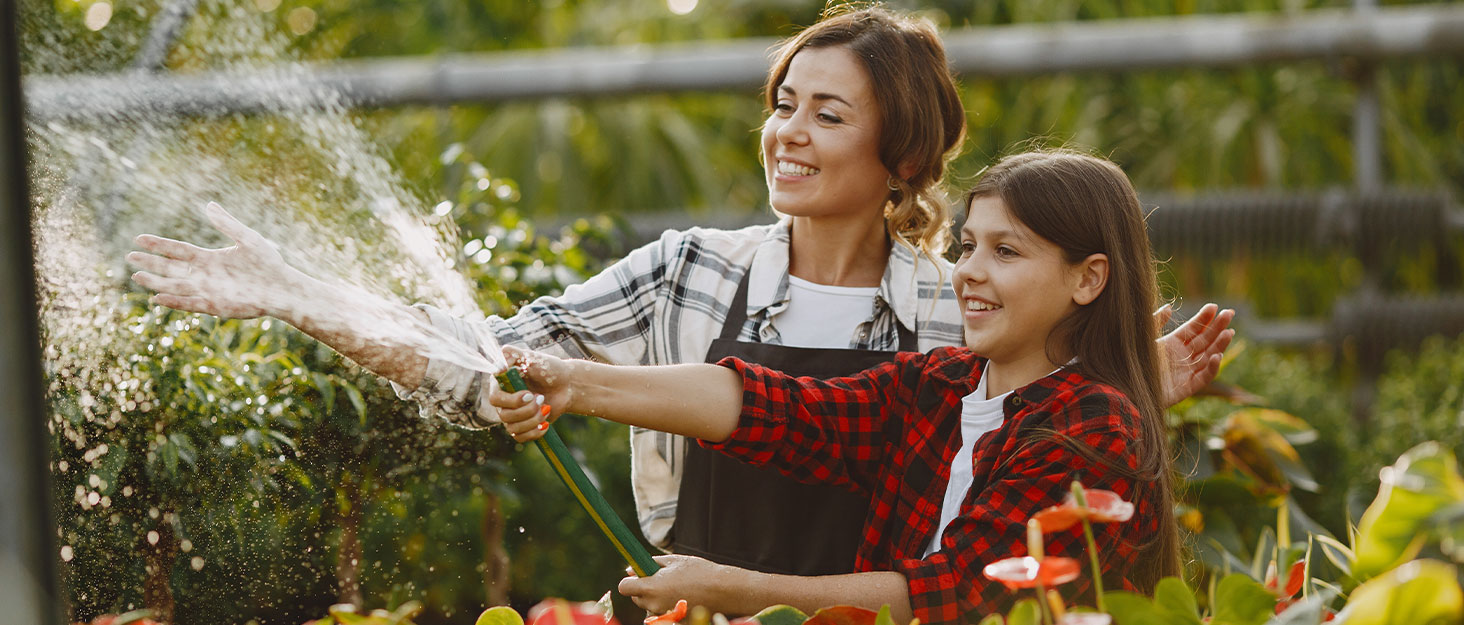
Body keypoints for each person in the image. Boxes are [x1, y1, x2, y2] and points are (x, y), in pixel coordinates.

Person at [127, 6, 1232, 580]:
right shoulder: (690, 270)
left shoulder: (957, 312)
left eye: (827, 115)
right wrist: (297, 295)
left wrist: (1143, 389)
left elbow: (1037, 446)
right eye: (782, 103)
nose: (788, 134)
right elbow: (480, 358)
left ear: (901, 152)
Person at [488, 149, 1178, 622]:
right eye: (968, 245)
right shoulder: (940, 386)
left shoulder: (1094, 422)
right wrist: (574, 382)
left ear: (1088, 278)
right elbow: (775, 407)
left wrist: (733, 589)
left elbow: (953, 594)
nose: (969, 270)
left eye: (1006, 251)